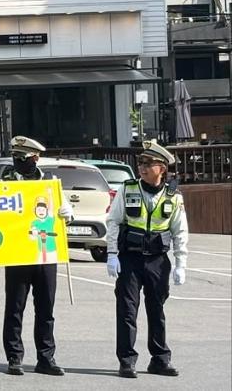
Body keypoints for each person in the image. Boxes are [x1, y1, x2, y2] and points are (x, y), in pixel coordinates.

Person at [105, 140, 188, 378]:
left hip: (157, 260)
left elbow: (180, 231)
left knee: (157, 310)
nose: (142, 168)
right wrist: (112, 254)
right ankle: (126, 361)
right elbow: (113, 221)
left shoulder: (174, 196)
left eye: (148, 164)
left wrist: (181, 264)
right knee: (127, 311)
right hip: (130, 259)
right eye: (140, 163)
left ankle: (160, 360)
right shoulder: (128, 188)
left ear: (162, 168)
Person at [0, 136, 74, 377]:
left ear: (35, 158)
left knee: (45, 309)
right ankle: (14, 356)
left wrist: (67, 214)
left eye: (23, 158)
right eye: (15, 158)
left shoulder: (50, 183)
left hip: (45, 253)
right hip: (18, 254)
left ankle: (46, 357)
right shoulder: (5, 182)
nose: (18, 162)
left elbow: (63, 215)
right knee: (15, 308)